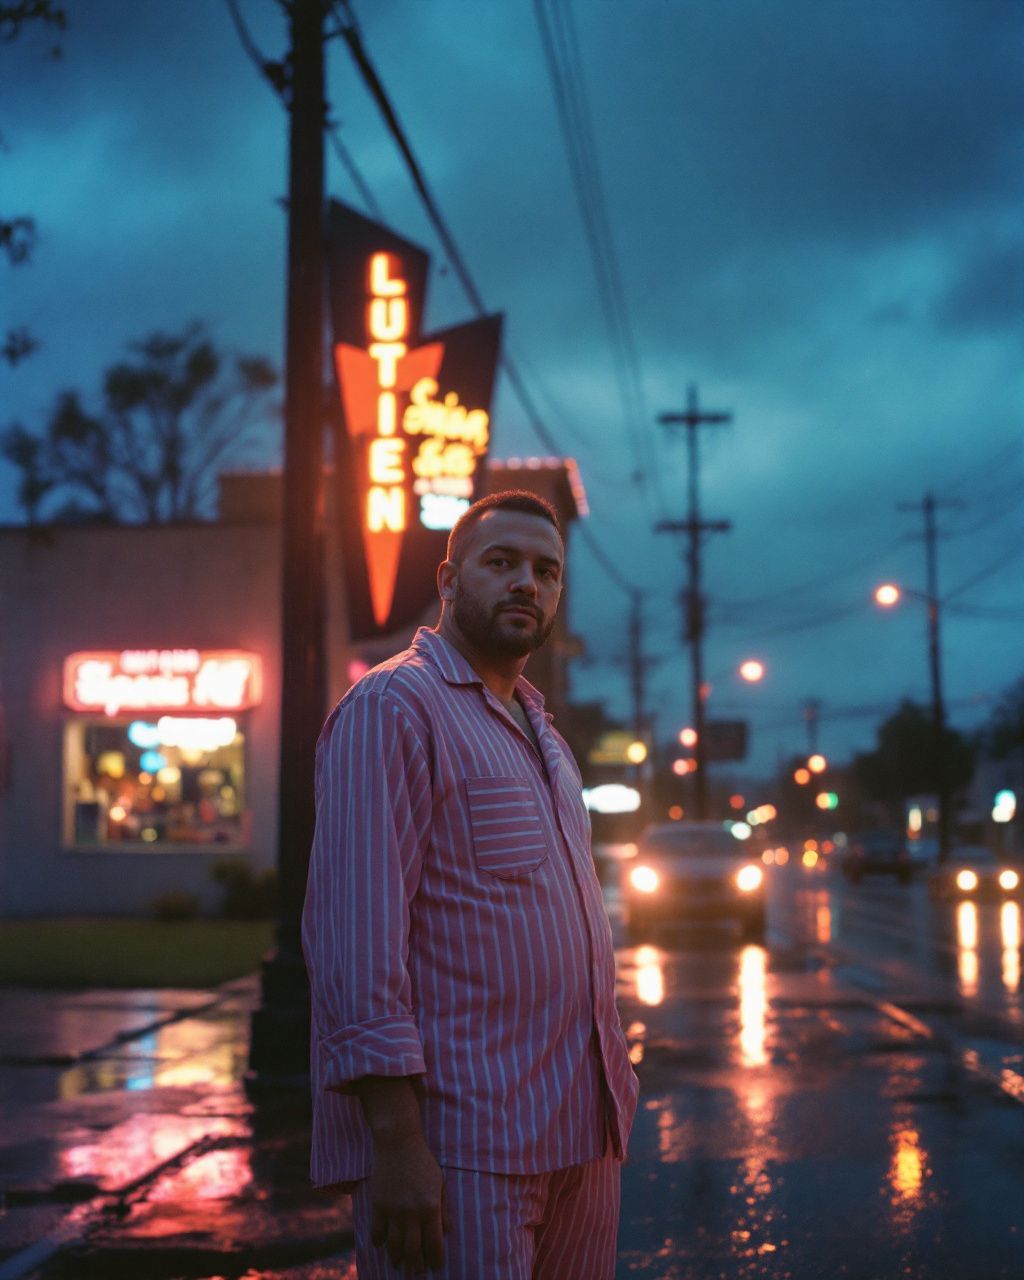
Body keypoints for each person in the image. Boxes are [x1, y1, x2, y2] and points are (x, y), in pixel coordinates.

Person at [302, 490, 639, 1278]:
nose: (528, 583)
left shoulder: (543, 733)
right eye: (502, 563)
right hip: (462, 1149)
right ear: (449, 581)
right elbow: (354, 941)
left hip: (581, 1139)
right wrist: (397, 1144)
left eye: (546, 571)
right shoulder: (393, 707)